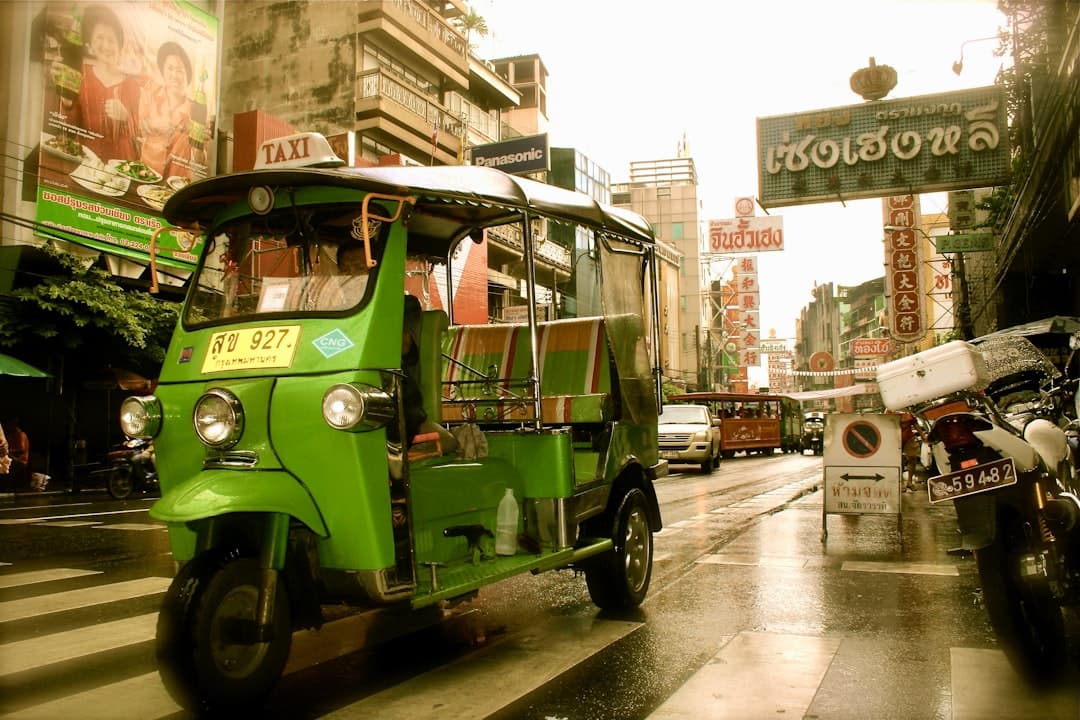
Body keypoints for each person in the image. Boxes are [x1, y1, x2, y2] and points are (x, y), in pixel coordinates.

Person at [66, 4, 141, 161]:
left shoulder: (132, 85)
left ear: (119, 47)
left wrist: (126, 117)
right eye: (100, 38)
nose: (106, 45)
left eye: (111, 40)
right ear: (90, 45)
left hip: (121, 168)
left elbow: (140, 136)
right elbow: (68, 127)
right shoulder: (81, 73)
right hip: (85, 163)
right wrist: (67, 103)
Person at [139, 41, 195, 178]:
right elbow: (138, 127)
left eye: (180, 70)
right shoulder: (150, 94)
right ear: (163, 71)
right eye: (170, 68)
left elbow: (201, 160)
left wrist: (199, 148)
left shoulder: (196, 111)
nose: (174, 75)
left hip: (177, 185)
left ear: (187, 75)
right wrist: (154, 124)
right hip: (145, 176)